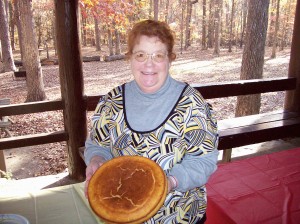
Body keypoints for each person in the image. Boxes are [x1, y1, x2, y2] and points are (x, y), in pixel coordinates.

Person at [84, 19, 219, 224]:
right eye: (140, 55)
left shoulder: (192, 104)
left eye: (158, 55)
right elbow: (97, 144)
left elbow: (203, 161)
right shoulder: (111, 101)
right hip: (123, 215)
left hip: (180, 217)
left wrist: (170, 181)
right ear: (129, 58)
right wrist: (96, 160)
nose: (149, 64)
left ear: (169, 59)